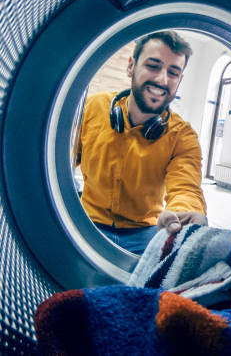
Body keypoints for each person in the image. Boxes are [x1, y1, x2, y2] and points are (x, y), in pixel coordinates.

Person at [76, 30, 207, 255]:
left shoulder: (183, 136)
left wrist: (183, 213)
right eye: (153, 66)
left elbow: (186, 188)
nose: (162, 79)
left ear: (180, 80)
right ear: (131, 66)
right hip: (86, 221)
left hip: (145, 232)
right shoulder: (90, 108)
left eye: (173, 72)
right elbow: (58, 161)